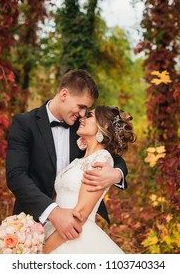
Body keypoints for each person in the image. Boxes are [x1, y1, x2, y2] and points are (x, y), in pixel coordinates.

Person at [5, 69, 128, 242]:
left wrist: (116, 174)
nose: (83, 114)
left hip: (77, 227)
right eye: (81, 106)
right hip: (32, 222)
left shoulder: (82, 127)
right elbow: (16, 176)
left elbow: (111, 155)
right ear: (64, 94)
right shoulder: (25, 123)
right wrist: (53, 212)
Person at [43, 106, 136, 253]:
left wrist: (44, 250)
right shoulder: (78, 161)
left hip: (72, 235)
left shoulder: (101, 158)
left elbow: (80, 215)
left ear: (104, 125)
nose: (82, 118)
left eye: (89, 116)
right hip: (55, 227)